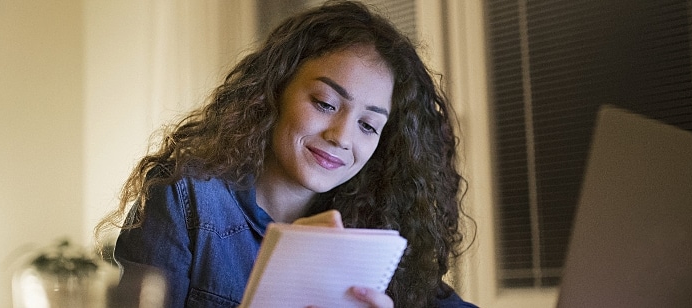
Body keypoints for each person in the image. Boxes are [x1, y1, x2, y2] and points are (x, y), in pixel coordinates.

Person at [96, 1, 476, 307]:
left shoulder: (375, 234)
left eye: (368, 126)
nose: (341, 136)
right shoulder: (186, 200)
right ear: (274, 91)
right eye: (325, 103)